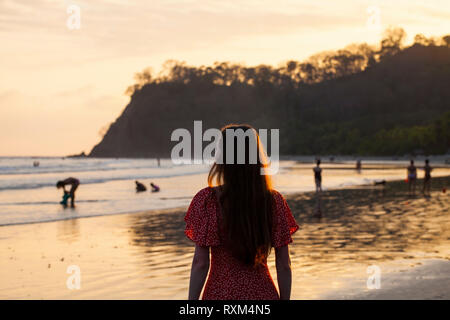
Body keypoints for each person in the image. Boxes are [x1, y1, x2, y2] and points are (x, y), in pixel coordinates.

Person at [185, 124, 299, 300]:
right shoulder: (273, 202)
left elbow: (200, 263)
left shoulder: (207, 200)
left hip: (220, 294)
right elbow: (284, 264)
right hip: (262, 294)